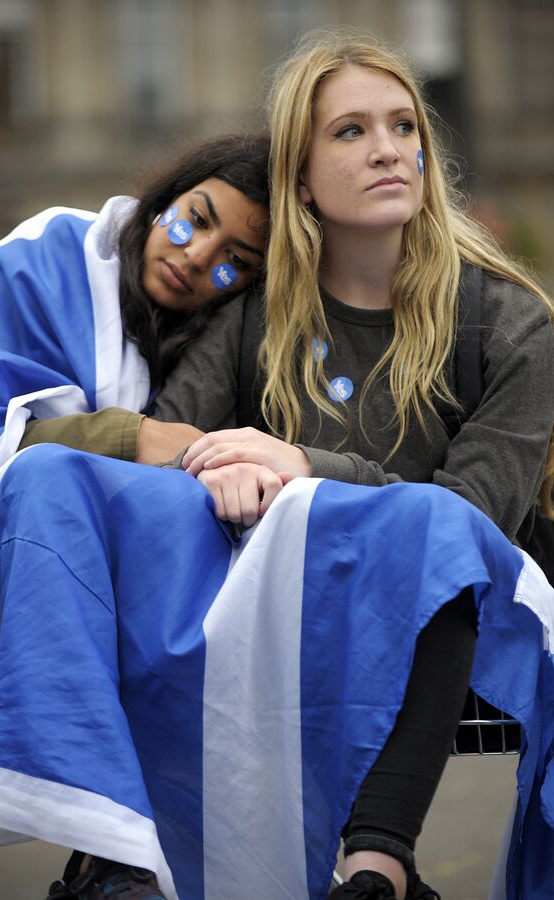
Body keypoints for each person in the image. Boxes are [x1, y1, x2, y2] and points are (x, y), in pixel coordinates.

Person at [147, 29, 554, 900]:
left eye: (404, 127)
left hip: (473, 617)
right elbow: (160, 445)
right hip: (297, 605)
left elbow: (471, 518)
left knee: (433, 541)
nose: (389, 150)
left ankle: (376, 865)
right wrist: (213, 467)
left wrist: (300, 464)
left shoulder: (512, 325)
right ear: (299, 178)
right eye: (351, 132)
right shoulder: (252, 321)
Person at [0, 131, 271, 900]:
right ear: (165, 198)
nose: (197, 258)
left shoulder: (212, 342)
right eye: (194, 220)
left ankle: (111, 863)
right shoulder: (47, 254)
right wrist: (134, 437)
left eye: (232, 260)